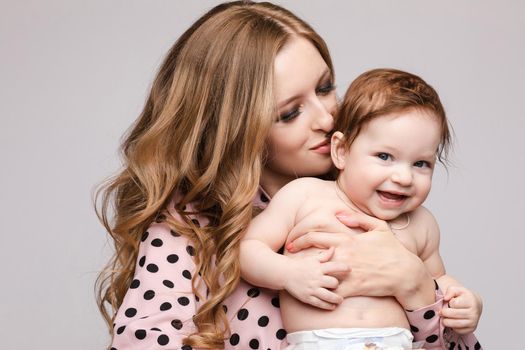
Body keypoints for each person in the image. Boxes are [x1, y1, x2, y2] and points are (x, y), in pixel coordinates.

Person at [96, 2, 469, 349]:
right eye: (290, 113)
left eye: (325, 88)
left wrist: (416, 286)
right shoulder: (189, 225)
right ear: (235, 129)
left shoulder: (373, 198)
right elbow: (141, 340)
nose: (326, 119)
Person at [240, 68, 483, 349]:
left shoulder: (421, 224)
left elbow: (437, 280)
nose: (403, 177)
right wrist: (288, 274)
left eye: (420, 164)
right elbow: (248, 248)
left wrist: (467, 300)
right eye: (384, 156)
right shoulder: (304, 195)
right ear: (341, 151)